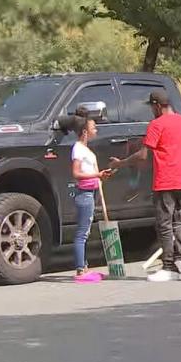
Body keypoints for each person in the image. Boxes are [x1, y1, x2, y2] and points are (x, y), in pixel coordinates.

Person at [111, 90, 181, 282]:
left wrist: (121, 163)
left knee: (165, 225)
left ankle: (169, 267)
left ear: (157, 106)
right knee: (178, 222)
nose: (152, 110)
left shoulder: (156, 125)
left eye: (152, 107)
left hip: (165, 180)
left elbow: (143, 155)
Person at [70, 116, 113, 282]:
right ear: (85, 132)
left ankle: (85, 266)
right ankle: (80, 270)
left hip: (92, 191)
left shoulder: (86, 150)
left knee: (85, 230)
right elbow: (76, 173)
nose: (96, 130)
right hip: (84, 194)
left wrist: (101, 176)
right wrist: (97, 174)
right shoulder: (78, 149)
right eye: (93, 127)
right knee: (82, 232)